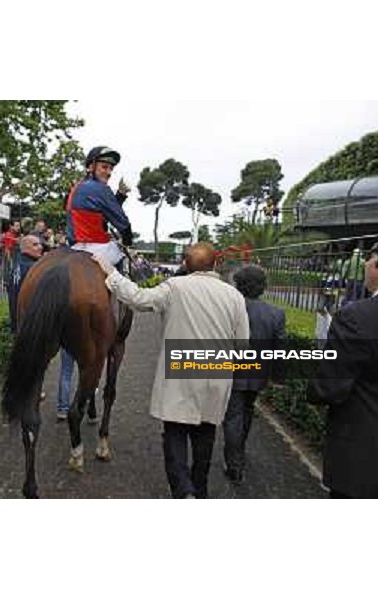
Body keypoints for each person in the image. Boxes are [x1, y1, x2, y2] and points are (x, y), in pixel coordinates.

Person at [92, 243, 249, 499]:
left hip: (181, 372)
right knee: (205, 434)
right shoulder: (234, 296)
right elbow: (242, 343)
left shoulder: (175, 287)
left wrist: (111, 272)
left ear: (185, 265)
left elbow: (138, 299)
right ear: (215, 264)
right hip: (216, 373)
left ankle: (182, 490)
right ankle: (199, 489)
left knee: (174, 433)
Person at [307, 234, 378, 498]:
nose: (365, 264)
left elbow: (330, 387)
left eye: (370, 257)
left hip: (366, 460)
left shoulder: (357, 316)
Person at [222, 265, 286, 484]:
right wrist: (278, 378)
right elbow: (280, 349)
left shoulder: (229, 309)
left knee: (233, 416)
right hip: (258, 373)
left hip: (232, 371)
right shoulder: (276, 314)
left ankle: (234, 464)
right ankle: (239, 450)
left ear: (238, 285)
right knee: (247, 411)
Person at [66, 146, 133, 269]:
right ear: (91, 166)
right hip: (96, 247)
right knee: (122, 257)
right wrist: (128, 242)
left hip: (73, 247)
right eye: (104, 167)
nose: (108, 173)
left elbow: (102, 215)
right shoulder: (101, 189)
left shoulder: (76, 187)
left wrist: (120, 196)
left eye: (111, 169)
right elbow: (123, 224)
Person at [7, 234, 43, 334]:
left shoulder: (18, 264)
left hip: (19, 324)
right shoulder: (32, 268)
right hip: (30, 326)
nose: (40, 247)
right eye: (35, 245)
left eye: (40, 244)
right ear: (25, 248)